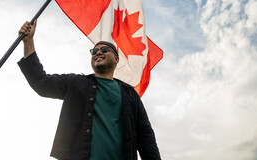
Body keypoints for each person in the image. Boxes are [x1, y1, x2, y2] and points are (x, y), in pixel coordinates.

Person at [18, 20, 161, 160]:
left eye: (104, 50)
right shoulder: (75, 83)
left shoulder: (130, 94)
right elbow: (41, 83)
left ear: (116, 59)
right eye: (94, 51)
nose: (98, 52)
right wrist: (28, 42)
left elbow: (145, 136)